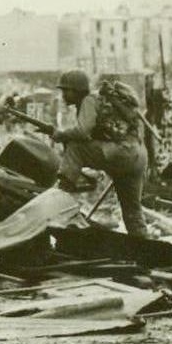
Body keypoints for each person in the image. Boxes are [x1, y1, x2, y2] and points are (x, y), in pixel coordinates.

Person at [51, 69, 149, 238]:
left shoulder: (89, 100)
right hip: (137, 155)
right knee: (132, 210)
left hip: (120, 153)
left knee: (75, 145)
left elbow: (82, 132)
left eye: (65, 90)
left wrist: (61, 135)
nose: (63, 95)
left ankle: (64, 188)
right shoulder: (106, 101)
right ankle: (145, 248)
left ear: (76, 90)